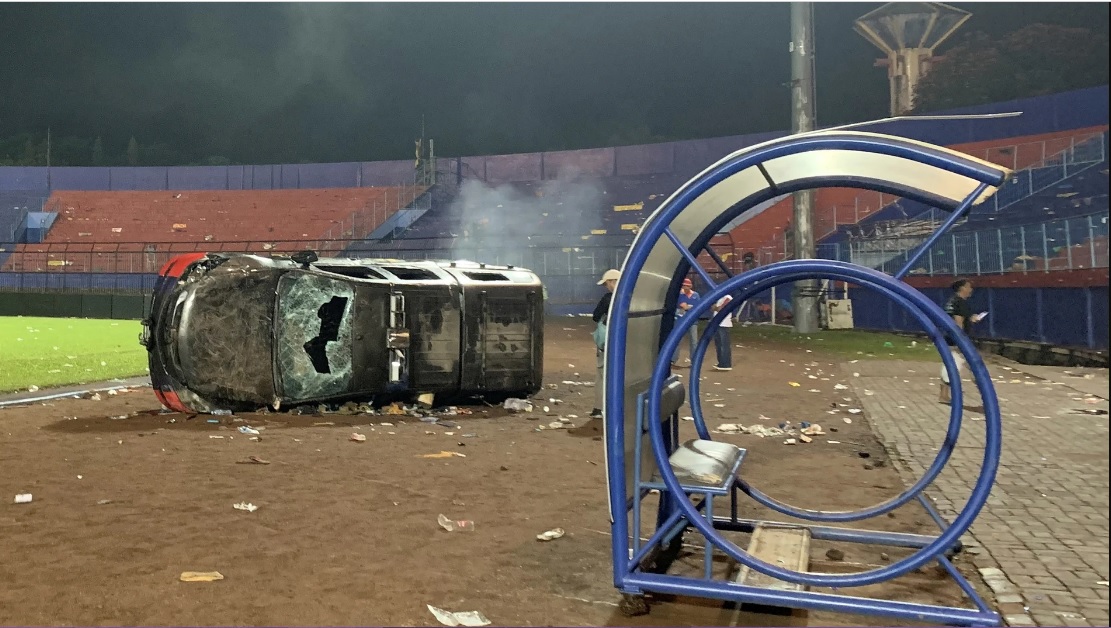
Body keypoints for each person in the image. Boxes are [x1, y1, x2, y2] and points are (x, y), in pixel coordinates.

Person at [939, 278, 986, 404]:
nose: (971, 290)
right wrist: (961, 339)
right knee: (976, 367)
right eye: (968, 287)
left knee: (950, 365)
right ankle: (986, 398)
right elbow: (958, 321)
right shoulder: (960, 302)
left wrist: (971, 318)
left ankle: (943, 395)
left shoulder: (951, 301)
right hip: (959, 340)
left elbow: (958, 317)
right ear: (962, 288)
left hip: (949, 339)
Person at [590, 268, 620, 419]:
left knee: (602, 374)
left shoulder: (608, 298)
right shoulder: (630, 297)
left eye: (607, 283)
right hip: (624, 341)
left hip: (607, 340)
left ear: (612, 282)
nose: (606, 286)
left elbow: (596, 316)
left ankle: (599, 408)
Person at [671, 278, 700, 368]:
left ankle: (694, 361)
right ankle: (673, 359)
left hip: (692, 321)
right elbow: (681, 306)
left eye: (687, 286)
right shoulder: (680, 295)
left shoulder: (695, 295)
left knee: (694, 341)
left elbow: (697, 307)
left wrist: (687, 307)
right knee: (677, 340)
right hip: (680, 320)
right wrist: (687, 307)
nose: (685, 287)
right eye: (684, 286)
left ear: (690, 286)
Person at [711, 293, 733, 371]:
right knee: (719, 344)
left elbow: (721, 308)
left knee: (724, 345)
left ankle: (726, 364)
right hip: (717, 323)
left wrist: (716, 307)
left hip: (724, 324)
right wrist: (716, 307)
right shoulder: (720, 298)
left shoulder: (728, 297)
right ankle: (721, 362)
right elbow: (712, 308)